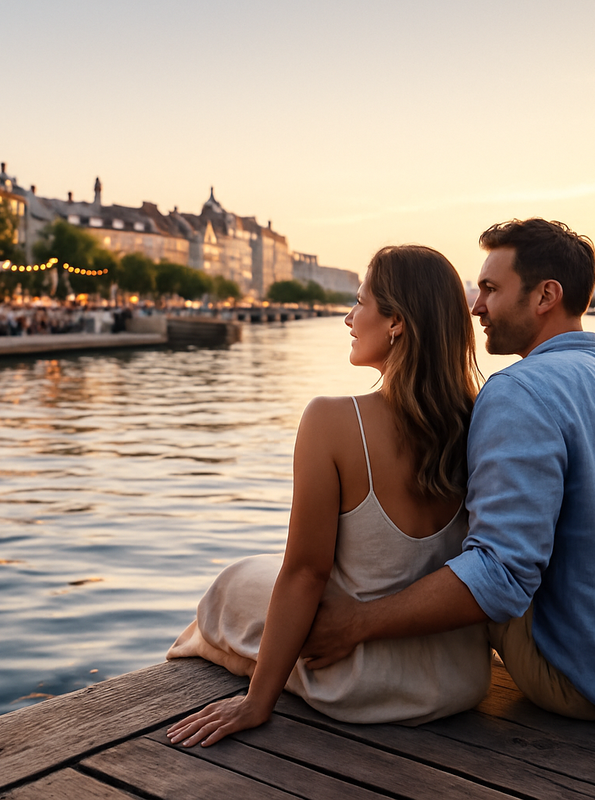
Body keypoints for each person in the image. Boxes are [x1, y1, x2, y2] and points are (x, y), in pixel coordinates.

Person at [302, 219, 595, 728]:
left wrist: (358, 624)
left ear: (546, 296)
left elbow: (500, 577)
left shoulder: (519, 391)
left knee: (462, 551)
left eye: (491, 290)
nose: (475, 307)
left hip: (591, 687)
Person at [167, 245, 491, 747]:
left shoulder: (332, 420)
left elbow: (305, 573)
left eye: (360, 303)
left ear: (396, 323)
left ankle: (213, 655)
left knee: (232, 586)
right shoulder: (484, 420)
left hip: (360, 684)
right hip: (459, 679)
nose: (348, 317)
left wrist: (257, 703)